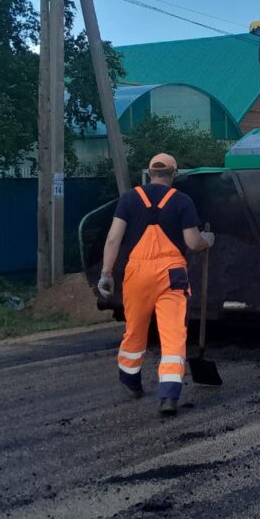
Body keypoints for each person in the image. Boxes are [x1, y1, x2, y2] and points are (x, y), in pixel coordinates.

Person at [97, 153, 214, 417]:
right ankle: (169, 395)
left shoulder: (129, 199)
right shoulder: (182, 201)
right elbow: (193, 243)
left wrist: (106, 273)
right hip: (172, 274)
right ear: (174, 173)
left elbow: (114, 239)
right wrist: (208, 240)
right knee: (173, 334)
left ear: (149, 173)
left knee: (135, 329)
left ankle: (130, 380)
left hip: (136, 273)